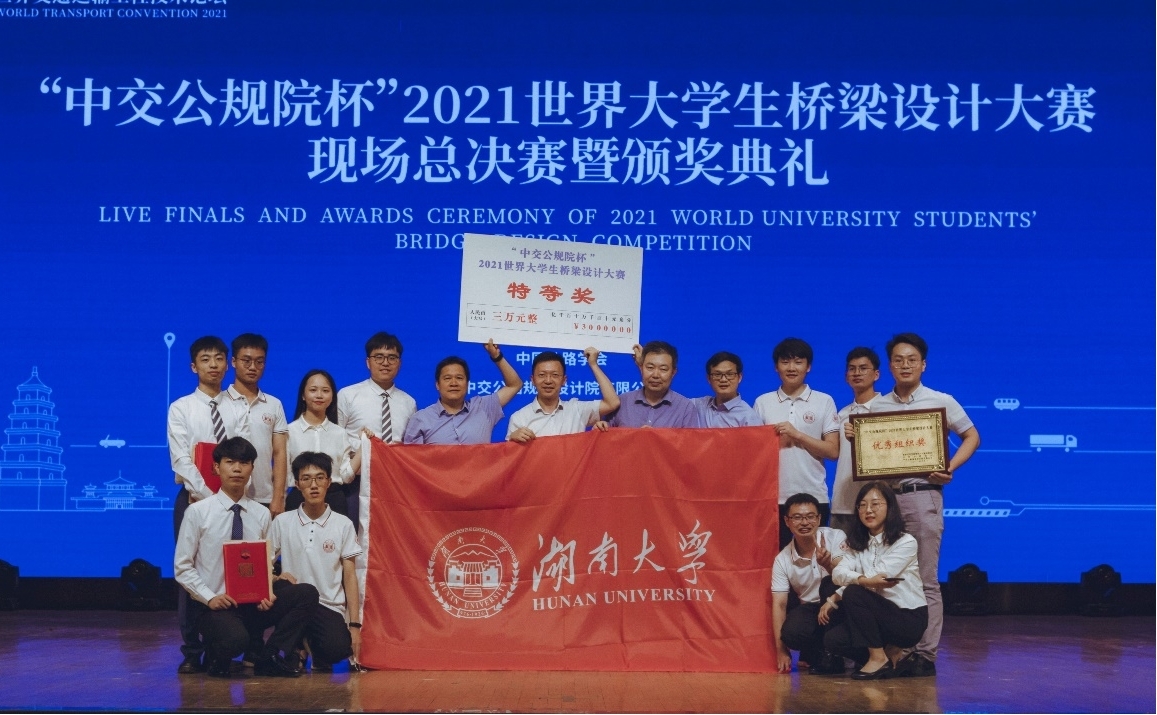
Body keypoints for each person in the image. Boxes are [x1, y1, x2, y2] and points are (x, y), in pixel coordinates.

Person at [867, 332, 981, 677]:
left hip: (922, 494)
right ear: (890, 366)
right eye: (898, 360)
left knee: (926, 577)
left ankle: (925, 654)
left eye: (912, 359)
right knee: (890, 576)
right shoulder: (878, 406)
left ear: (923, 364)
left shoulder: (940, 400)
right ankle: (898, 649)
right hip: (888, 499)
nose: (905, 365)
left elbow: (972, 436)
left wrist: (950, 467)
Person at [174, 437, 320, 678]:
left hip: (252, 603)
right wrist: (210, 598)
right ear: (216, 467)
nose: (237, 469)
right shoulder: (197, 512)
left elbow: (264, 562)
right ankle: (217, 655)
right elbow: (183, 567)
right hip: (214, 605)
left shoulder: (261, 514)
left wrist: (267, 589)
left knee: (306, 593)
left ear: (252, 468)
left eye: (244, 463)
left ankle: (270, 655)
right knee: (235, 640)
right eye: (230, 462)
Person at [167, 335, 237, 674]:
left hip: (235, 501)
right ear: (194, 366)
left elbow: (242, 453)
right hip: (194, 500)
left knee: (230, 571)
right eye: (206, 359)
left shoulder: (238, 407)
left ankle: (221, 646)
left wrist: (228, 500)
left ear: (228, 364)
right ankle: (192, 650)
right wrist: (209, 498)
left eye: (219, 358)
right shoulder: (181, 408)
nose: (213, 365)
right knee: (191, 571)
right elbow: (181, 459)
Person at [819, 481, 928, 681]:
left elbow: (878, 576)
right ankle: (889, 659)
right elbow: (838, 573)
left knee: (854, 592)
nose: (868, 510)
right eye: (862, 505)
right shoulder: (856, 543)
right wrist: (860, 582)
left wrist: (836, 596)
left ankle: (878, 658)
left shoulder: (905, 541)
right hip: (877, 617)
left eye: (875, 504)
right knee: (833, 640)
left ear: (890, 507)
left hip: (907, 618)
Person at [271, 452, 363, 672]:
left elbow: (350, 575)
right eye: (306, 479)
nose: (314, 485)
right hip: (294, 604)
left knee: (338, 649)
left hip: (328, 606)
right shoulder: (282, 522)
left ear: (329, 482)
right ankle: (297, 646)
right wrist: (275, 577)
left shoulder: (343, 524)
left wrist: (354, 625)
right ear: (297, 484)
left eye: (320, 478)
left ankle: (308, 644)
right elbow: (264, 562)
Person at [753, 338, 841, 549]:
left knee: (816, 558)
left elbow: (832, 451)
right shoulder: (762, 402)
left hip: (814, 495)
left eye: (798, 362)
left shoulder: (824, 401)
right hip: (774, 499)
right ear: (776, 367)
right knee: (776, 559)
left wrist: (797, 435)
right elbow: (754, 454)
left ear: (808, 366)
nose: (791, 368)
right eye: (785, 362)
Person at [336, 332, 417, 528]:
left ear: (400, 363)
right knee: (355, 538)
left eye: (392, 358)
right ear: (368, 362)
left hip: (394, 484)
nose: (385, 363)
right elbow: (335, 437)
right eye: (378, 357)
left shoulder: (409, 402)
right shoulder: (348, 395)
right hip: (356, 483)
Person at [772, 493, 848, 676]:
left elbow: (848, 578)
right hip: (812, 609)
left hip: (840, 602)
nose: (804, 522)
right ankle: (820, 651)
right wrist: (781, 650)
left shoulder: (836, 537)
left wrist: (828, 565)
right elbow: (779, 604)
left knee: (829, 584)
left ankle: (834, 653)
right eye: (797, 517)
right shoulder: (782, 559)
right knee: (791, 634)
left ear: (819, 518)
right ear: (787, 521)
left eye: (810, 516)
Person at [218, 334, 289, 517]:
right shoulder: (219, 402)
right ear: (233, 362)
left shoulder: (274, 404)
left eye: (259, 362)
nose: (252, 367)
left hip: (264, 497)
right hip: (223, 496)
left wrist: (278, 496)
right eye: (246, 361)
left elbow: (280, 453)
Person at [404, 339, 522, 444]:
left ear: (467, 384)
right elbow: (412, 459)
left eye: (459, 378)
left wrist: (496, 356)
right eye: (447, 378)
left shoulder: (483, 407)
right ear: (437, 385)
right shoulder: (421, 419)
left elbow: (514, 385)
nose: (454, 383)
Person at [285, 370, 360, 516]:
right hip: (299, 499)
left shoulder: (340, 433)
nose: (319, 395)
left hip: (334, 500)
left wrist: (364, 445)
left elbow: (346, 476)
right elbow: (284, 474)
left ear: (332, 397)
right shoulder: (289, 431)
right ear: (303, 395)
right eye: (313, 390)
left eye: (325, 391)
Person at [507, 348, 619, 443]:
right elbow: (510, 458)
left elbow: (612, 403)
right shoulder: (519, 418)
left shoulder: (576, 409)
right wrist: (512, 440)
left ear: (564, 380)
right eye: (542, 375)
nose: (548, 381)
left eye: (555, 375)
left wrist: (593, 364)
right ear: (533, 380)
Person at [831, 347, 883, 536]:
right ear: (846, 377)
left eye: (863, 368)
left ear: (876, 374)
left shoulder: (888, 410)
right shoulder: (842, 414)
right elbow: (834, 452)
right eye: (852, 369)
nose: (857, 373)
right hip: (843, 504)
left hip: (877, 504)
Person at [607, 341, 698, 428]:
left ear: (673, 373)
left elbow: (690, 439)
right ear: (641, 368)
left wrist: (654, 436)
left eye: (663, 369)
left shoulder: (685, 408)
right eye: (650, 367)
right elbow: (607, 436)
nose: (655, 375)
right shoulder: (622, 402)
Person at [692, 351, 763, 428]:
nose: (723, 379)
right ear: (708, 378)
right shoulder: (699, 406)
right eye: (717, 374)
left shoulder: (749, 417)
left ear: (739, 377)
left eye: (730, 374)